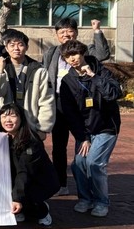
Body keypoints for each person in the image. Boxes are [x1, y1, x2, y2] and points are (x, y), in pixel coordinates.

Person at [43, 17, 111, 196]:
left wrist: (97, 30)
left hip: (83, 104)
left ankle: (89, 186)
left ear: (76, 32)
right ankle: (61, 184)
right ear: (56, 35)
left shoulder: (84, 51)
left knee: (84, 142)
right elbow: (45, 75)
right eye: (62, 32)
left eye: (69, 31)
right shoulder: (51, 52)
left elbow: (103, 54)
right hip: (58, 103)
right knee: (58, 146)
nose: (66, 35)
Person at [58, 40, 122, 218]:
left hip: (106, 128)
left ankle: (101, 202)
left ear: (83, 53)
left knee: (94, 163)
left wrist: (94, 76)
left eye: (75, 54)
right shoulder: (68, 81)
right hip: (85, 131)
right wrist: (83, 137)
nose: (72, 59)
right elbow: (70, 114)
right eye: (67, 56)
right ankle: (85, 199)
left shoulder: (102, 71)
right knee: (79, 163)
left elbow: (113, 94)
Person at [0, 29, 55, 139]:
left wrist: (43, 128)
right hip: (8, 125)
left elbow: (47, 100)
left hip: (31, 126)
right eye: (12, 45)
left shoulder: (38, 70)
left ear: (27, 47)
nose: (16, 48)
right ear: (6, 48)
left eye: (20, 45)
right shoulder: (0, 68)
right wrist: (0, 71)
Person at [0, 103, 58, 227]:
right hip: (21, 179)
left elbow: (25, 171)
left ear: (21, 118)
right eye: (4, 116)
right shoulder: (4, 138)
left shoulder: (31, 141)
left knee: (26, 199)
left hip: (39, 181)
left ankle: (42, 211)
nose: (8, 120)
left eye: (13, 116)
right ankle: (22, 207)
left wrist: (17, 198)